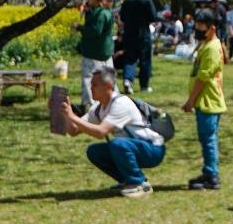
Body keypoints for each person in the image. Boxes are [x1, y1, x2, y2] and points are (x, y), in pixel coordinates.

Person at [61, 67, 165, 197]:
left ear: (108, 86)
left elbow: (100, 132)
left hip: (153, 149)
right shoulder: (98, 108)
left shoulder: (121, 103)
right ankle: (127, 181)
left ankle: (140, 184)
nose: (91, 88)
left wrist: (72, 116)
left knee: (117, 144)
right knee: (94, 151)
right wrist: (63, 114)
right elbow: (73, 131)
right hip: (133, 148)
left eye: (95, 85)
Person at [181, 8, 225, 190]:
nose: (198, 30)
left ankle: (212, 175)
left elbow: (203, 77)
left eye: (201, 27)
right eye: (196, 26)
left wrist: (191, 100)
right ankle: (208, 171)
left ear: (212, 28)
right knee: (206, 138)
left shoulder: (212, 48)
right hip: (204, 101)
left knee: (208, 139)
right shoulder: (207, 45)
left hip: (209, 101)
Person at [77, 0, 116, 112]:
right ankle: (112, 101)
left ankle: (90, 105)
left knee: (89, 79)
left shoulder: (100, 14)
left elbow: (95, 31)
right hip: (104, 52)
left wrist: (79, 28)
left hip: (94, 52)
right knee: (109, 78)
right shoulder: (105, 12)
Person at [119, 0, 160, 92]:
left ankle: (128, 80)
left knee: (129, 59)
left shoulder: (127, 2)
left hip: (129, 35)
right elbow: (153, 17)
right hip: (143, 34)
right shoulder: (147, 2)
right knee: (145, 60)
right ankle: (144, 85)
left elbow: (122, 17)